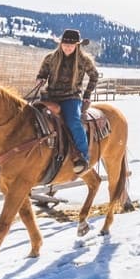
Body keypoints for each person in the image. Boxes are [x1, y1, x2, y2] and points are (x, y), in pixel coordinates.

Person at [36, 29, 100, 173]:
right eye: (65, 44)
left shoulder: (84, 60)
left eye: (71, 45)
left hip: (71, 97)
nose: (68, 47)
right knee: (32, 115)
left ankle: (83, 156)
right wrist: (40, 80)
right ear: (61, 44)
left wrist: (87, 94)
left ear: (77, 45)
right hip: (50, 96)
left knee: (73, 122)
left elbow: (94, 76)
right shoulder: (50, 58)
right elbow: (42, 74)